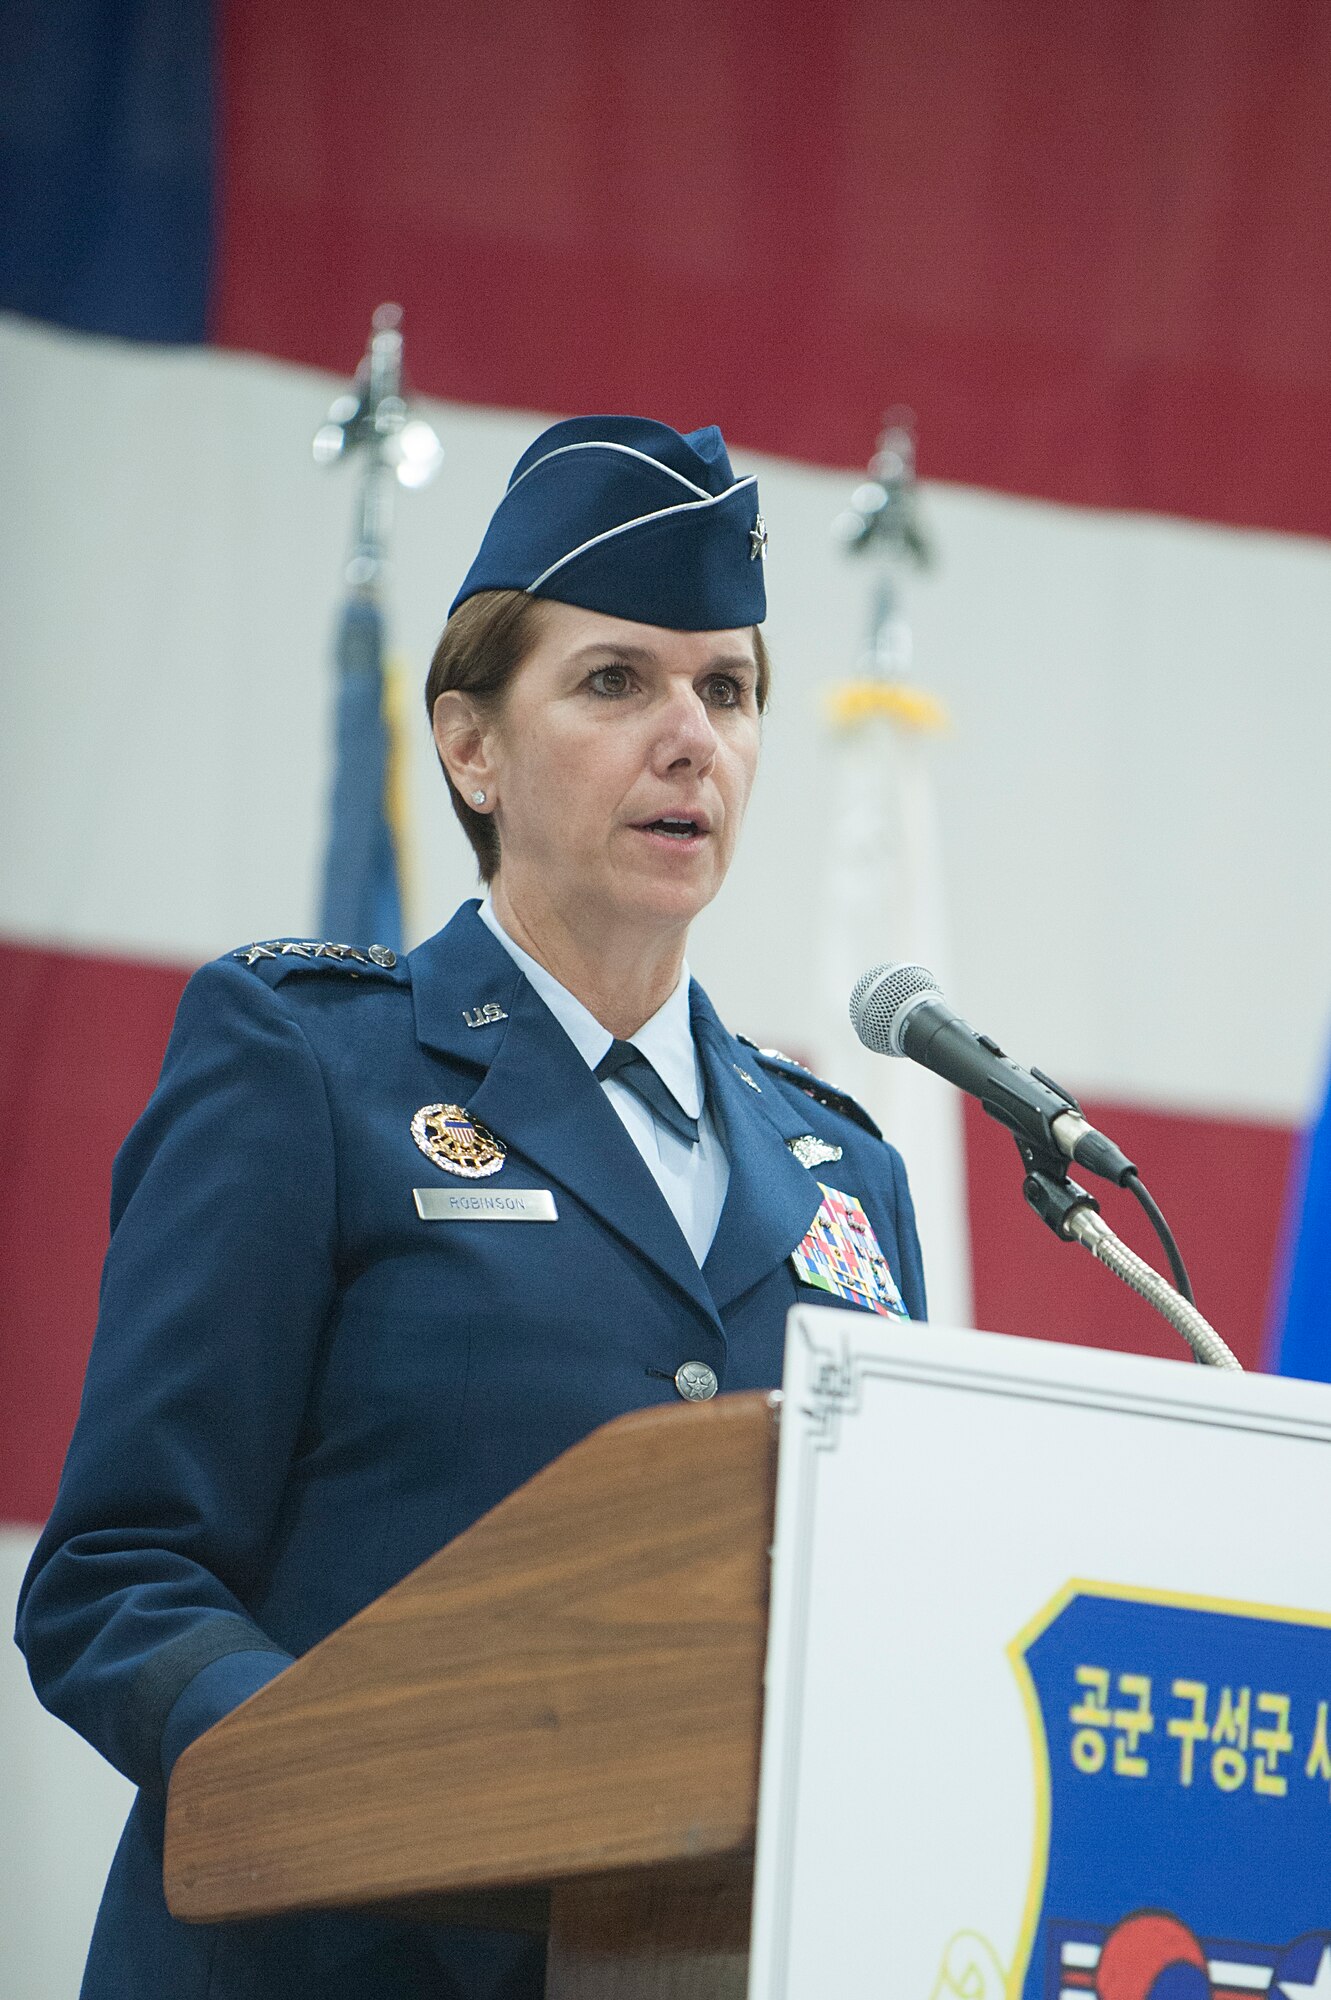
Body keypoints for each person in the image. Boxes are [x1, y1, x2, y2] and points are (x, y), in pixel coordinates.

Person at [17, 415, 926, 1999]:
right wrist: (357, 1790)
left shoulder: (851, 1171)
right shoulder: (307, 1062)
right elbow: (116, 1577)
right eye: (614, 681)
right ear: (470, 748)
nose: (690, 736)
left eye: (728, 689)